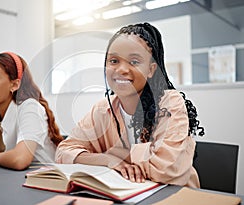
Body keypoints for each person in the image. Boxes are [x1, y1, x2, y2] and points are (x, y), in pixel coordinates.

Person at [55, 22, 205, 188]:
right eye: (113, 60)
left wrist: (118, 153)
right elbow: (63, 151)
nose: (121, 69)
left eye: (134, 61)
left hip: (175, 197)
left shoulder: (170, 103)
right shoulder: (102, 109)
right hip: (127, 195)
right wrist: (107, 159)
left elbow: (167, 168)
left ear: (151, 69)